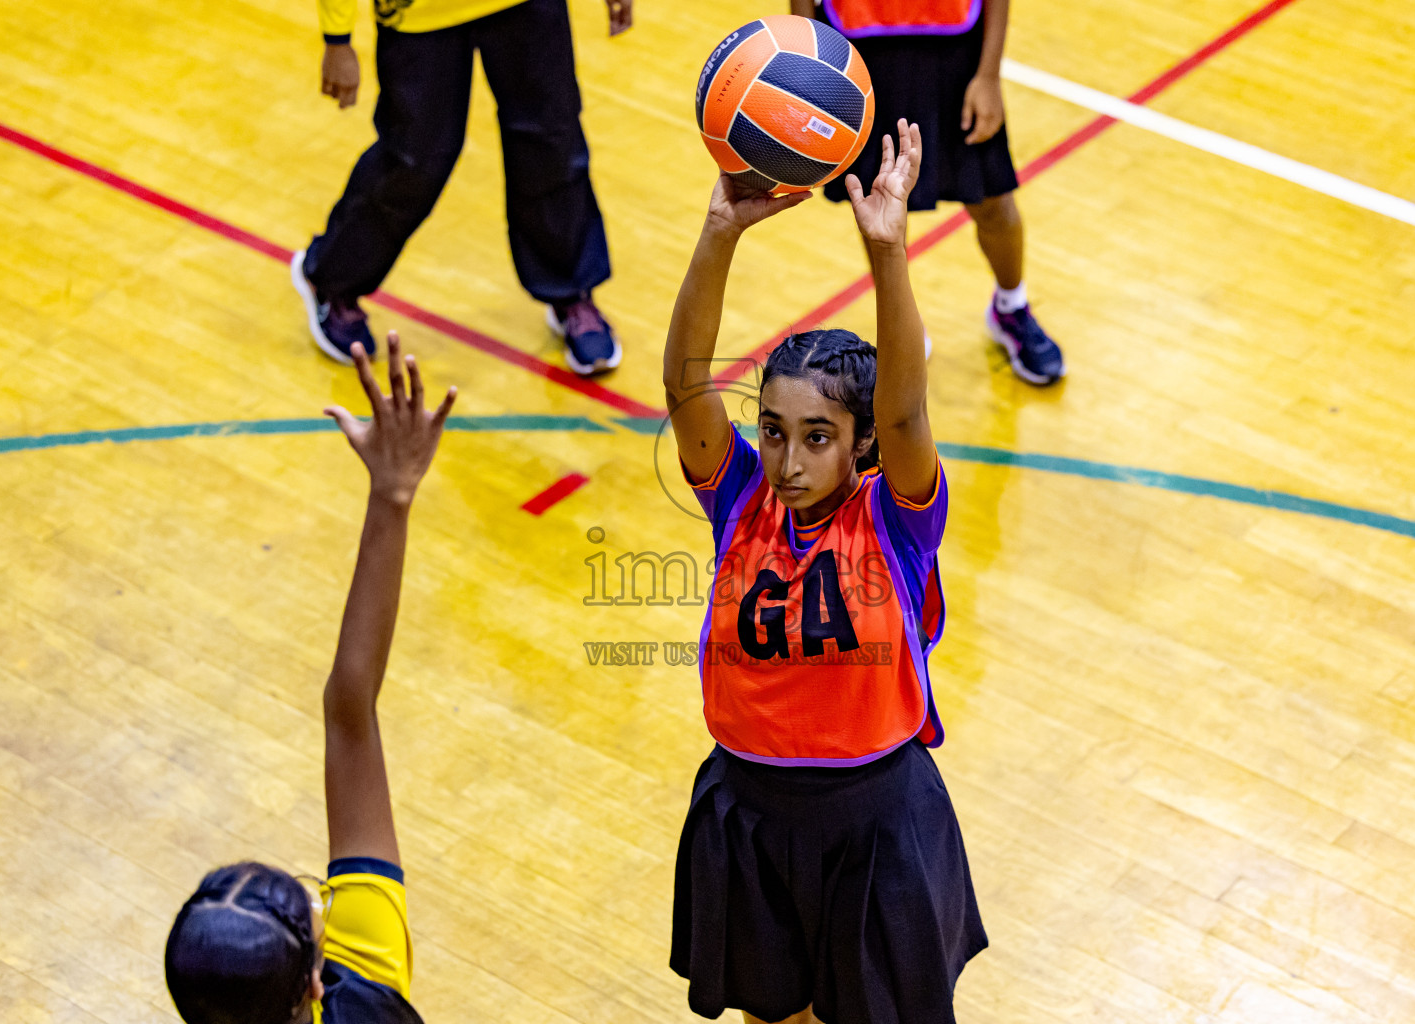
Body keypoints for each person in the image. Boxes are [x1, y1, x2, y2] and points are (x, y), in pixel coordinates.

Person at [663, 120, 986, 1024]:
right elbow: (687, 387)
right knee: (777, 1016)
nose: (789, 459)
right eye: (772, 431)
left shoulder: (895, 517)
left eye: (817, 438)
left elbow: (909, 403)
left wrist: (889, 251)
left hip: (875, 814)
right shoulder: (738, 502)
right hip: (749, 806)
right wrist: (720, 229)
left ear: (863, 445)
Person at [164, 333, 456, 1024]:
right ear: (316, 987)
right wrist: (393, 494)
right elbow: (350, 707)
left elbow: (349, 707)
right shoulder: (365, 994)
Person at [291, 0, 631, 375]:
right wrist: (337, 38)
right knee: (415, 162)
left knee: (551, 144)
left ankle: (570, 289)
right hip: (419, 14)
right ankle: (333, 279)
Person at [792, 0, 1065, 385]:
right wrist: (810, 66)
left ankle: (1011, 307)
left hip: (956, 45)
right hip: (860, 46)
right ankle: (903, 329)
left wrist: (988, 75)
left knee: (993, 202)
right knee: (880, 204)